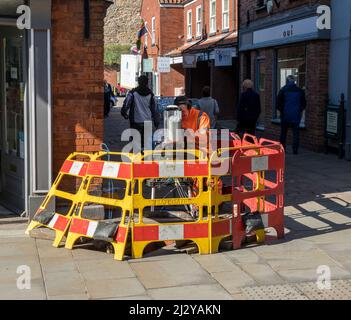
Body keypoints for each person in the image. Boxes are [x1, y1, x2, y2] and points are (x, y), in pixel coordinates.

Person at [121, 75, 160, 150]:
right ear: (147, 83)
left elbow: (126, 104)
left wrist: (124, 113)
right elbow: (155, 110)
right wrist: (156, 122)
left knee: (136, 143)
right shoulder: (151, 94)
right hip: (147, 122)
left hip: (136, 122)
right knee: (147, 144)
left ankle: (137, 159)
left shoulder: (133, 93)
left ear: (138, 82)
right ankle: (146, 159)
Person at [277, 75, 307, 155]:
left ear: (287, 81)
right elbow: (304, 103)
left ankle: (282, 149)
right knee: (296, 133)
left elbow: (278, 104)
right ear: (294, 81)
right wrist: (299, 110)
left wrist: (282, 111)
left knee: (283, 132)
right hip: (296, 115)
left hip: (285, 115)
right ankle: (295, 150)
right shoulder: (300, 91)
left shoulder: (283, 90)